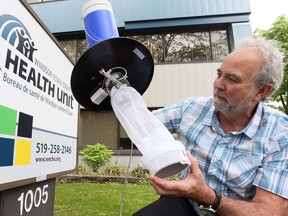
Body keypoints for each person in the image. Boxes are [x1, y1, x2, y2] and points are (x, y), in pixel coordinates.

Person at [133, 37, 288, 216]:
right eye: (219, 74)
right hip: (186, 204)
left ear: (262, 91)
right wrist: (120, 90)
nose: (218, 84)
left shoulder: (281, 135)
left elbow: (269, 212)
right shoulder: (192, 108)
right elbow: (142, 122)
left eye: (232, 79)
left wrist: (207, 196)